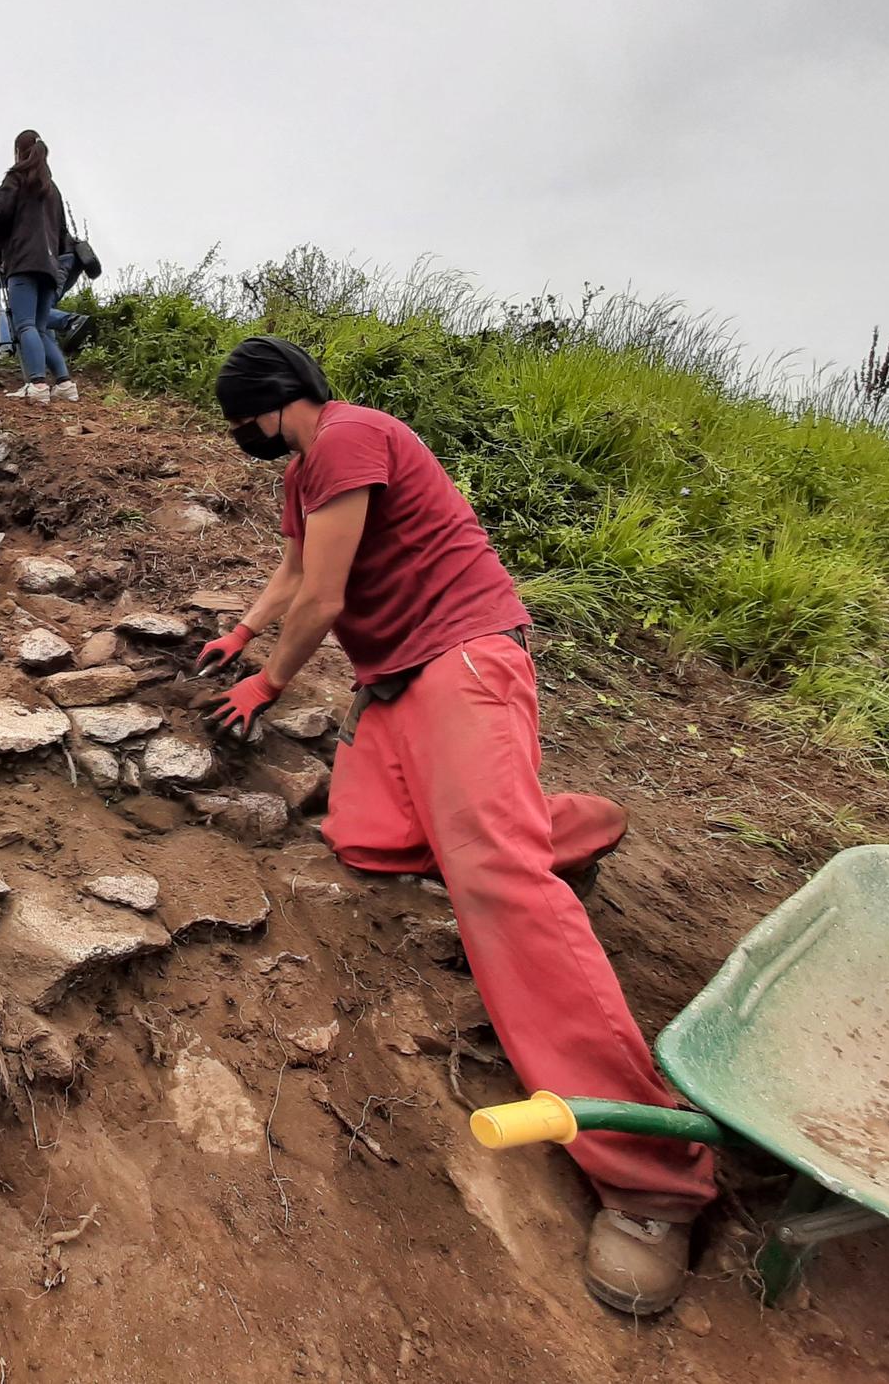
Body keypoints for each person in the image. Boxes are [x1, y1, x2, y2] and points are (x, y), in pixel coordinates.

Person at [195, 336, 714, 1318]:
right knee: (366, 842)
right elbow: (289, 575)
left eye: (243, 425)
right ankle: (562, 826)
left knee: (493, 889)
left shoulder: (349, 438)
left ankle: (650, 1176)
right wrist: (237, 630)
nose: (246, 443)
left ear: (269, 405)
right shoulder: (305, 478)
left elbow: (325, 599)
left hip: (461, 659)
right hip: (392, 691)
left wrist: (268, 678)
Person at [0, 129, 75, 403]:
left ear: (18, 152)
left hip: (24, 262)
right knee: (38, 327)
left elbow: (0, 216)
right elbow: (62, 232)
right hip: (50, 266)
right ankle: (64, 383)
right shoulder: (53, 188)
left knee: (24, 324)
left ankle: (37, 384)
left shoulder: (16, 178)